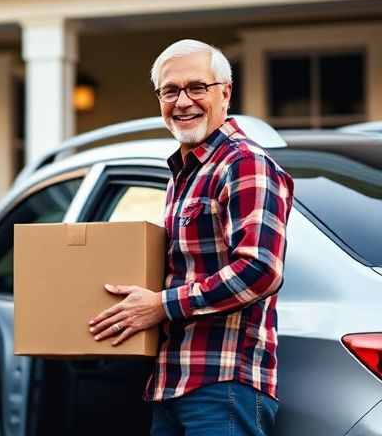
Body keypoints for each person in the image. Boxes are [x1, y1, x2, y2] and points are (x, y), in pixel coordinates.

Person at [88, 39, 294, 435]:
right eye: (170, 90)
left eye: (197, 87)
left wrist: (161, 305)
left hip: (223, 386)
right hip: (172, 385)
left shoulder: (244, 162)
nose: (182, 101)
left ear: (225, 93)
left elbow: (260, 269)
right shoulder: (184, 173)